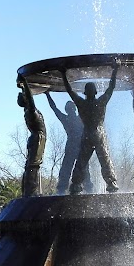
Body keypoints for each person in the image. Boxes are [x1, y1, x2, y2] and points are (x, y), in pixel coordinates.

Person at [61, 66, 120, 194]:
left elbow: (69, 90)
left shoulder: (81, 103)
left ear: (85, 93)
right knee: (104, 159)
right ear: (95, 92)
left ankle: (76, 184)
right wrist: (115, 70)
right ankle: (111, 183)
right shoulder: (101, 101)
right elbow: (111, 87)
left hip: (87, 133)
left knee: (82, 160)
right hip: (99, 133)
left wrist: (63, 74)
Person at [45, 92, 91, 195]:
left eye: (71, 108)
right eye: (70, 108)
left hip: (76, 147)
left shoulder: (70, 118)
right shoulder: (77, 118)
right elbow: (54, 108)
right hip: (75, 147)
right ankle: (85, 188)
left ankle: (85, 187)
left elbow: (54, 108)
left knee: (79, 168)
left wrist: (47, 94)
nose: (71, 110)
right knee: (73, 168)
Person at [17, 77, 46, 197]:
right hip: (36, 138)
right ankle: (30, 192)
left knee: (32, 165)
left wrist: (24, 87)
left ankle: (30, 191)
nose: (19, 96)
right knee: (32, 165)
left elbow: (29, 98)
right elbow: (30, 98)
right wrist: (25, 85)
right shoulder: (30, 110)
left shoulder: (29, 110)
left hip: (37, 138)